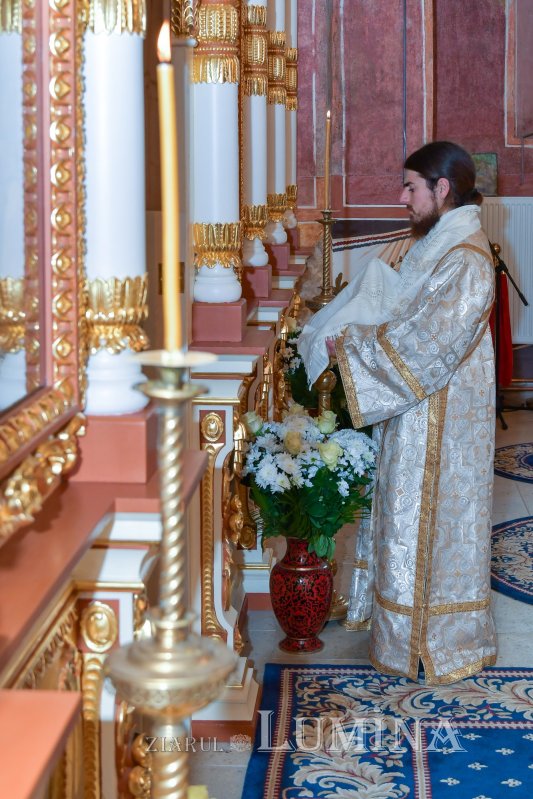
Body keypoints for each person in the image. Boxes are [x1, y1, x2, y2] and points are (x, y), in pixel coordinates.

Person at [299, 141, 497, 684]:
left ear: (442, 190)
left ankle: (432, 643)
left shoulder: (467, 260)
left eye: (411, 187)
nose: (402, 197)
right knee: (399, 520)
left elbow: (426, 346)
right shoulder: (439, 247)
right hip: (418, 413)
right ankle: (398, 631)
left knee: (426, 526)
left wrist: (354, 346)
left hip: (442, 425)